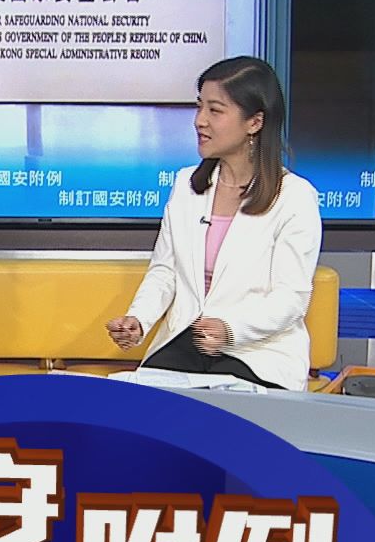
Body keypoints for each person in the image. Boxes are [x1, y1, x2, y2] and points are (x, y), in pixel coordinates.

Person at [105, 56, 322, 390]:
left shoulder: (294, 197)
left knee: (222, 413)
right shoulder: (186, 185)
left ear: (255, 122)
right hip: (186, 344)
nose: (200, 121)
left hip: (258, 354)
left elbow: (290, 299)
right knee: (133, 404)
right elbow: (165, 271)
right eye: (199, 107)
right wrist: (139, 319)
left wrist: (230, 329)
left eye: (215, 110)